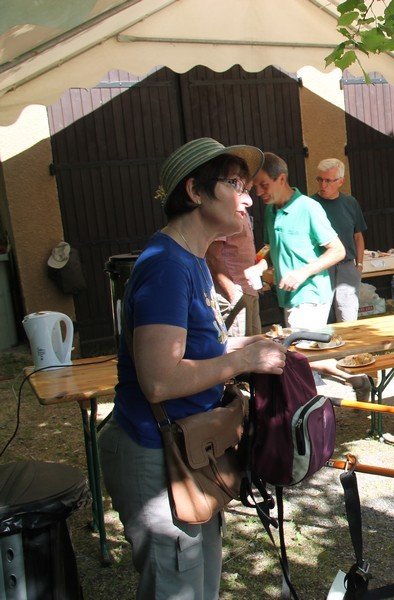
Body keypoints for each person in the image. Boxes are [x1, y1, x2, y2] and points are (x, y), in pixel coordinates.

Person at [98, 138, 288, 599]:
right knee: (178, 589)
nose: (247, 198)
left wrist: (247, 345)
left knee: (200, 588)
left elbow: (197, 349)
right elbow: (159, 380)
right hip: (155, 455)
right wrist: (242, 360)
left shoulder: (194, 259)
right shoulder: (166, 266)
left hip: (188, 450)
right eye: (235, 184)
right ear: (195, 191)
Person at [252, 152, 345, 330]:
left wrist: (302, 273)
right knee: (302, 347)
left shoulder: (308, 207)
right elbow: (273, 249)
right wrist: (260, 266)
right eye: (256, 186)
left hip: (310, 295)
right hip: (287, 297)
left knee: (302, 346)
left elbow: (338, 250)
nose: (258, 192)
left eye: (264, 185)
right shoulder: (270, 210)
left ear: (281, 179)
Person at [311, 158, 368, 322]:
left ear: (341, 181)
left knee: (348, 318)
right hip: (321, 268)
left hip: (347, 267)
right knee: (321, 319)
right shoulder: (310, 204)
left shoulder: (350, 203)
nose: (323, 185)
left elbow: (358, 236)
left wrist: (359, 265)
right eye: (320, 179)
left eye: (328, 181)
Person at [205, 189, 262, 336]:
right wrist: (233, 294)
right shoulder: (223, 212)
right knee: (240, 346)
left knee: (257, 344)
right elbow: (213, 256)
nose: (249, 200)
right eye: (239, 187)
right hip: (234, 293)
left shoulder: (241, 207)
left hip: (249, 289)